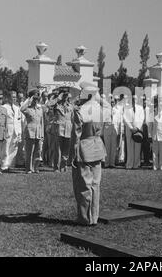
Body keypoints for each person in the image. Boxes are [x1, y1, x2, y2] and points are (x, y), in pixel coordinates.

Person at [71, 82, 106, 226]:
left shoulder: (81, 111)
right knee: (95, 185)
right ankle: (94, 217)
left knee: (83, 185)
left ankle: (84, 217)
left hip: (84, 148)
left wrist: (73, 154)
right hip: (97, 147)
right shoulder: (100, 109)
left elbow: (76, 135)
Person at [49, 89, 73, 173]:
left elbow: (72, 118)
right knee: (57, 149)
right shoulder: (56, 104)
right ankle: (56, 167)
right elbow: (48, 105)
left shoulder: (70, 105)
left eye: (67, 95)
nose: (65, 97)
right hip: (58, 130)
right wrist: (58, 98)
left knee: (66, 149)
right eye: (64, 95)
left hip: (68, 129)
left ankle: (63, 166)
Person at [20, 89, 44, 174]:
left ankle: (35, 167)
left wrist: (42, 134)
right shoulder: (28, 108)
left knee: (38, 151)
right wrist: (28, 100)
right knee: (29, 151)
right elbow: (21, 109)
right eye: (34, 98)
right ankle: (29, 168)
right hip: (30, 132)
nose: (36, 100)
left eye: (37, 98)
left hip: (38, 132)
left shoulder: (39, 109)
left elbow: (42, 123)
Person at [148, 96, 162, 171]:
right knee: (155, 152)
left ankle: (161, 166)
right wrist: (149, 135)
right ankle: (155, 165)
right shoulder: (152, 114)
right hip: (155, 135)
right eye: (158, 104)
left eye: (161, 104)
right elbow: (150, 126)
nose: (160, 105)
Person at [1, 91, 22, 172]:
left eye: (15, 97)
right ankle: (3, 165)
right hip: (7, 130)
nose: (14, 99)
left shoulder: (17, 108)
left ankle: (10, 165)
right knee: (5, 148)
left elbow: (18, 121)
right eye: (12, 97)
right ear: (8, 98)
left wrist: (19, 133)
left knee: (14, 148)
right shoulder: (4, 107)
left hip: (15, 131)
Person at [123, 95, 144, 169]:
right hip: (129, 130)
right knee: (130, 148)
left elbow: (142, 118)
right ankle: (129, 164)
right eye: (133, 99)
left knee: (137, 148)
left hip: (138, 130)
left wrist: (137, 128)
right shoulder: (126, 108)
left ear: (137, 100)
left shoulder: (140, 108)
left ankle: (136, 164)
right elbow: (125, 118)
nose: (134, 100)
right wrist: (131, 128)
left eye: (135, 99)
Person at [103, 96, 121, 168]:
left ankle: (112, 163)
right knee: (107, 147)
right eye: (111, 102)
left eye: (113, 102)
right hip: (107, 128)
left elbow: (119, 121)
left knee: (113, 147)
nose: (112, 103)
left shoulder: (118, 110)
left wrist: (120, 131)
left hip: (115, 129)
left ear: (115, 102)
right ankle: (107, 163)